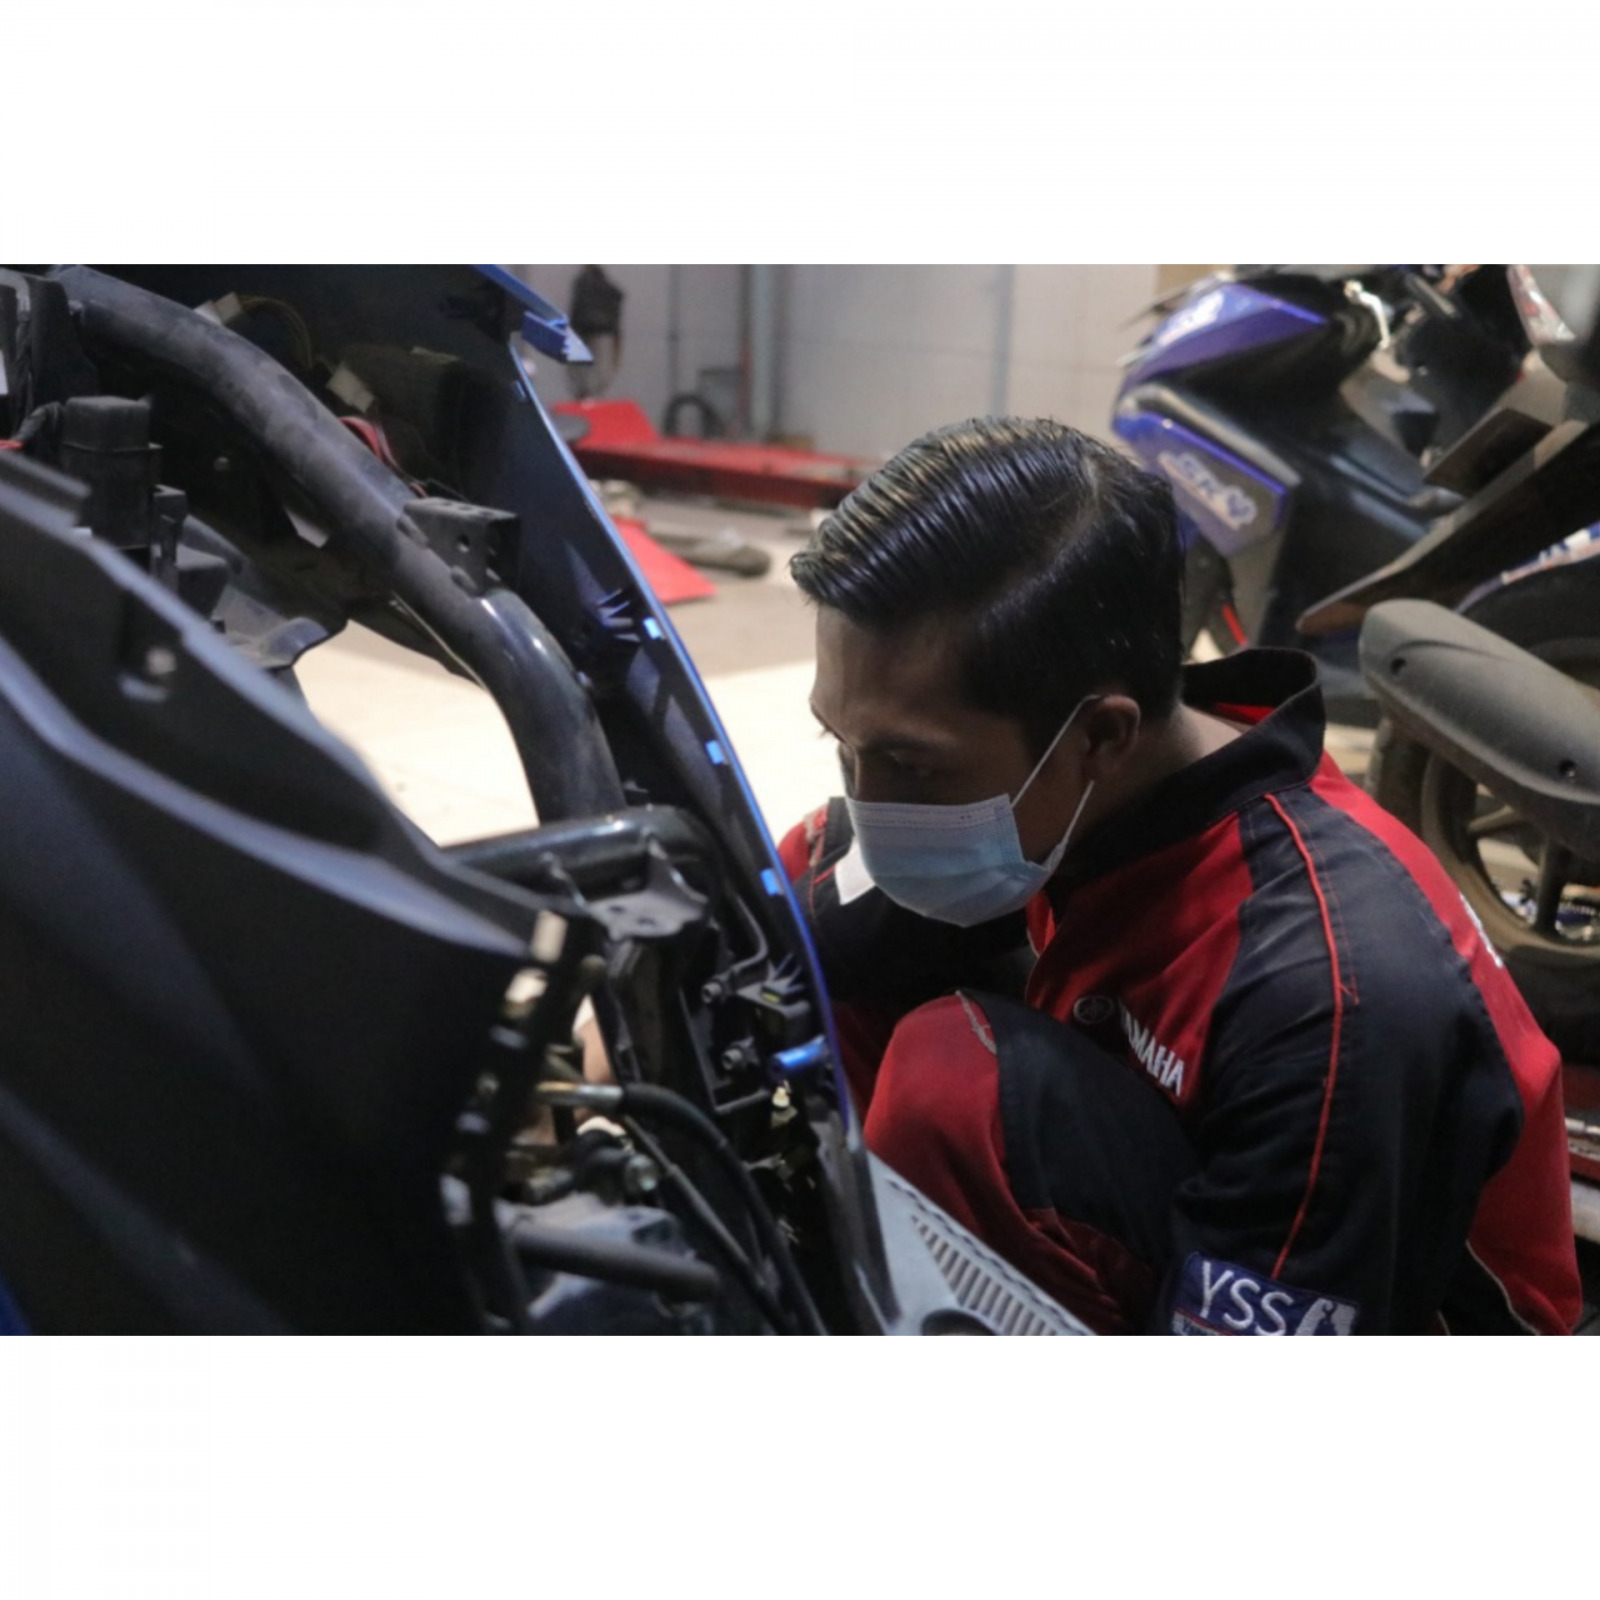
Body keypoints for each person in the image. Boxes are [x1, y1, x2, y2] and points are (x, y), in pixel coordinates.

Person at [779, 415, 1582, 1335]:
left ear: (1100, 737)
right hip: (1214, 1167)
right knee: (816, 883)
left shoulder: (1330, 998)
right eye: (842, 744)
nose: (871, 800)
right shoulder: (1090, 783)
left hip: (1386, 1318)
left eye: (912, 766)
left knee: (953, 1084)